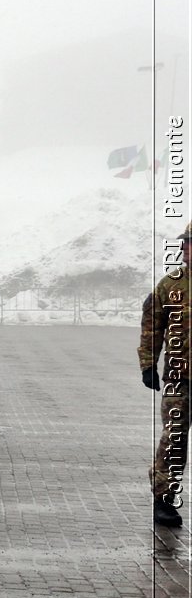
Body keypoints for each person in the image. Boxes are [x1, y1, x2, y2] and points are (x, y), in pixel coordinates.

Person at [141, 226, 190, 529]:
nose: (187, 249)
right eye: (186, 244)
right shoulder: (169, 285)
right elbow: (152, 326)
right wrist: (147, 363)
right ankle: (164, 501)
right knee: (173, 441)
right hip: (178, 379)